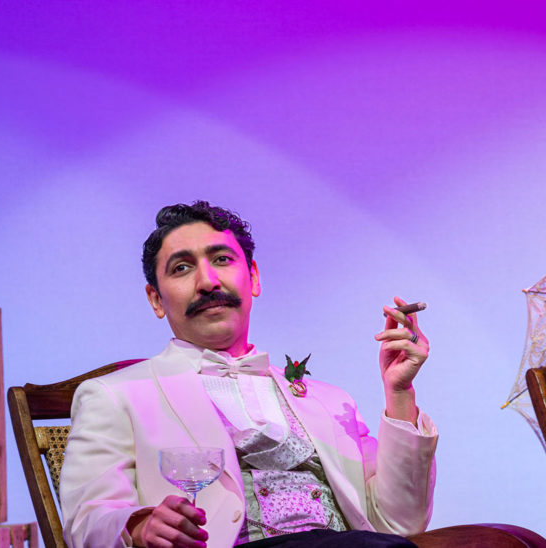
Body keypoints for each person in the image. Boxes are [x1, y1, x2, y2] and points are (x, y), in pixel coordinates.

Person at [60, 201, 438, 548]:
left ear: (253, 277)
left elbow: (399, 524)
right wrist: (140, 527)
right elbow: (86, 522)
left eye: (222, 259)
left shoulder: (330, 401)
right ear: (156, 299)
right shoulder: (114, 396)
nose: (207, 282)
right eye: (181, 268)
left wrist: (399, 393)